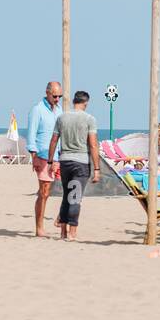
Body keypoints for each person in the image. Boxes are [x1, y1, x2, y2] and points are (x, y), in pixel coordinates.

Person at [46, 90, 100, 241]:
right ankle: (72, 232)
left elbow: (53, 140)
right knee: (75, 197)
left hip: (65, 162)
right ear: (86, 103)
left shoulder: (62, 117)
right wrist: (96, 169)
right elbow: (93, 145)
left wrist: (51, 161)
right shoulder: (89, 119)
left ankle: (63, 232)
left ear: (74, 101)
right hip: (81, 163)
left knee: (66, 196)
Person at [27, 81, 64, 237]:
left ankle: (61, 220)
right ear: (47, 93)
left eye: (59, 96)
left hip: (58, 156)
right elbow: (31, 134)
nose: (57, 99)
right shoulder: (37, 110)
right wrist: (34, 156)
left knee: (66, 190)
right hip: (42, 155)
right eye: (55, 96)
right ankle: (39, 227)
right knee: (44, 192)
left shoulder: (60, 110)